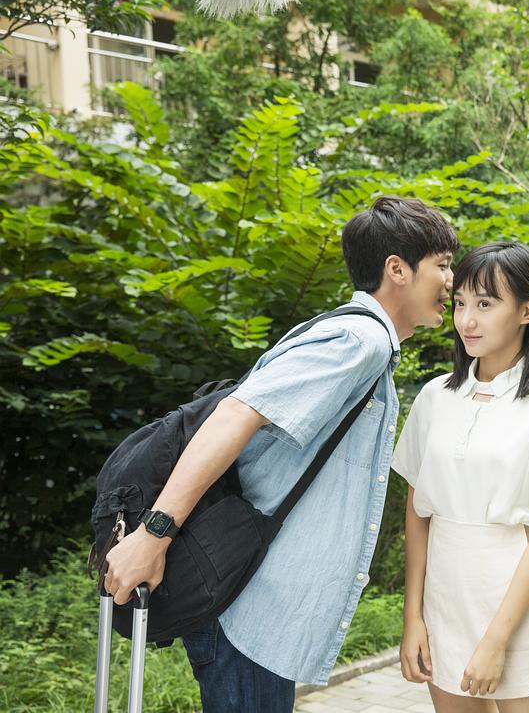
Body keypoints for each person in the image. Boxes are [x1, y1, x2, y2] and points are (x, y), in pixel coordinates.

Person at [102, 196, 459, 712]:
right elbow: (234, 416)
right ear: (397, 269)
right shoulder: (358, 340)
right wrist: (154, 535)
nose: (451, 281)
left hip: (258, 611)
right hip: (250, 612)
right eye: (442, 265)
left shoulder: (356, 339)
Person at [393, 241, 529, 713]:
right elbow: (418, 513)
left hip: (513, 604)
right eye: (460, 303)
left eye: (485, 305)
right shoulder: (434, 398)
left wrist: (496, 640)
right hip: (444, 600)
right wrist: (413, 618)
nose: (467, 320)